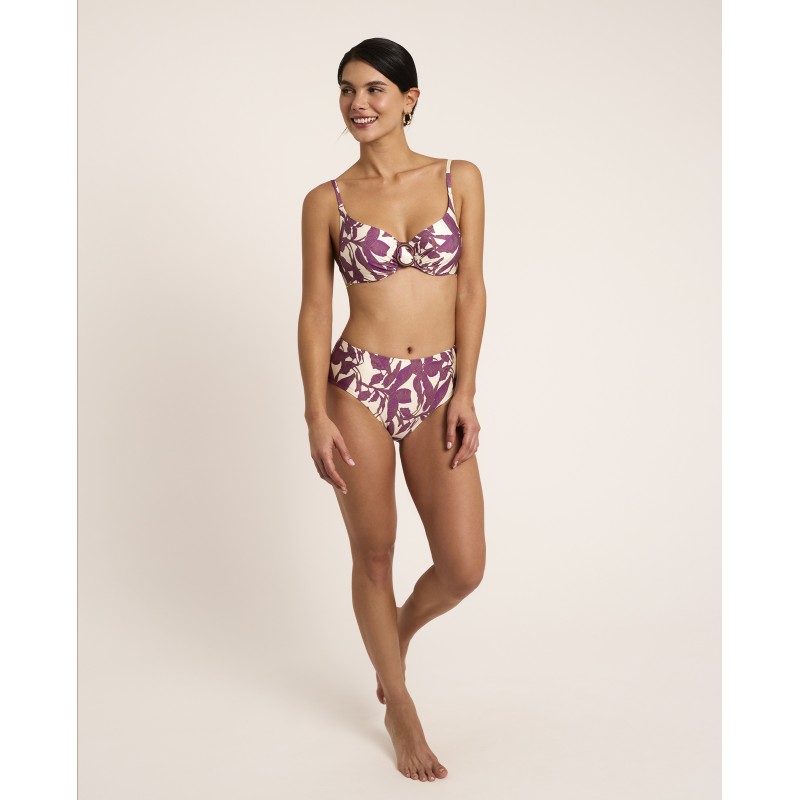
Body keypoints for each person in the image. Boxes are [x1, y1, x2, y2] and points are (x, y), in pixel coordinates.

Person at [297, 37, 486, 782]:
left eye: (374, 89)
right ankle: (400, 705)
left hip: (437, 385)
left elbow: (471, 289)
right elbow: (316, 311)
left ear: (409, 99)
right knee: (373, 552)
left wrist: (465, 389)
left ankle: (397, 632)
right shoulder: (327, 201)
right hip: (358, 386)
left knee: (463, 566)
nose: (358, 103)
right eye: (347, 90)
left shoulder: (458, 179)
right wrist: (315, 414)